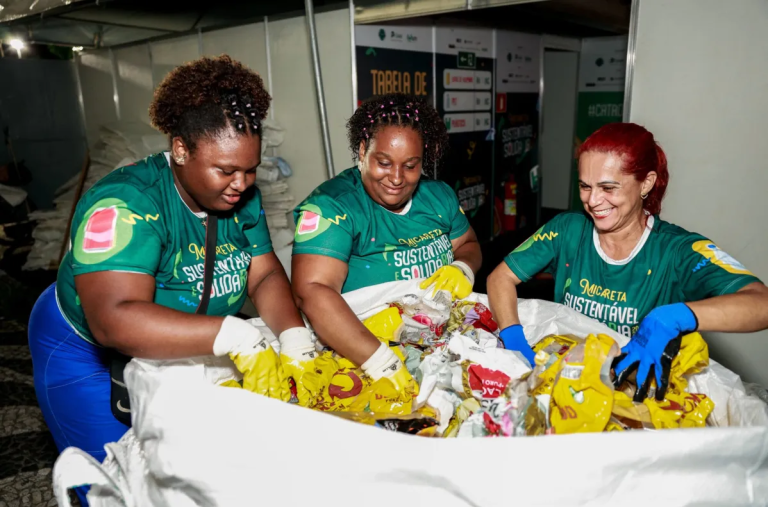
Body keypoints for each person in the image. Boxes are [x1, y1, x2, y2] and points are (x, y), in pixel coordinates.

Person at [28, 55, 312, 507]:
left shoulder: (241, 198)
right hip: (85, 350)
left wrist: (294, 334)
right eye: (226, 170)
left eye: (251, 168)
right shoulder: (126, 203)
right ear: (181, 149)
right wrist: (231, 332)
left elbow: (263, 271)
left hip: (181, 337)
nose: (242, 183)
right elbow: (113, 320)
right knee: (114, 484)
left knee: (188, 470)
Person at [488, 122, 768, 400]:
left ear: (645, 183)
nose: (593, 200)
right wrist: (514, 340)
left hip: (637, 395)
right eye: (585, 186)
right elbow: (500, 278)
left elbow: (761, 304)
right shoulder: (567, 231)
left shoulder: (677, 250)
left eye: (608, 188)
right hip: (568, 385)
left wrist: (677, 316)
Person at [291, 93, 482, 396]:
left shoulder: (438, 196)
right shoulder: (334, 207)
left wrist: (462, 268)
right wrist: (380, 361)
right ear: (363, 150)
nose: (396, 178)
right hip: (360, 348)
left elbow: (468, 243)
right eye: (383, 162)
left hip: (439, 336)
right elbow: (312, 292)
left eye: (410, 166)